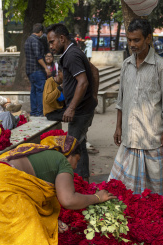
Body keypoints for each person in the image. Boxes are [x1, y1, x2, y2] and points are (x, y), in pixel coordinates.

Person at [108, 18, 163, 195]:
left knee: (152, 192)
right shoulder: (126, 65)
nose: (132, 44)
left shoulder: (162, 67)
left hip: (152, 138)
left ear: (148, 39)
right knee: (121, 189)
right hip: (129, 138)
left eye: (136, 40)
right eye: (129, 40)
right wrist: (118, 127)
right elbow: (121, 100)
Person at [47, 24, 100, 181]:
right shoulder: (73, 52)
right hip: (83, 108)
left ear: (62, 38)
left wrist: (71, 108)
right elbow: (94, 72)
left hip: (80, 112)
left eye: (52, 41)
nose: (50, 46)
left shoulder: (71, 55)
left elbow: (83, 82)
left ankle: (77, 183)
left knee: (71, 149)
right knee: (80, 146)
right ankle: (82, 182)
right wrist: (94, 97)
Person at [25, 23, 50, 116]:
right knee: (40, 91)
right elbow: (38, 57)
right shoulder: (35, 41)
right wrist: (46, 68)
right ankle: (40, 112)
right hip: (37, 70)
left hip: (30, 70)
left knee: (34, 91)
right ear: (40, 32)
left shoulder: (28, 40)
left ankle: (34, 112)